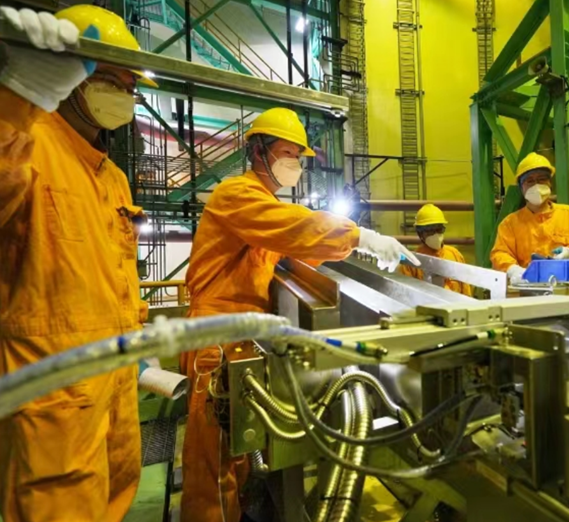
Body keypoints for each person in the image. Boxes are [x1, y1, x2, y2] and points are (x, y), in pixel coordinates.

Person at [179, 107, 419, 522]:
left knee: (235, 454)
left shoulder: (265, 204)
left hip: (239, 337)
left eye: (298, 155)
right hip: (215, 340)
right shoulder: (237, 195)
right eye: (287, 153)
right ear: (259, 150)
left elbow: (298, 246)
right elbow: (295, 228)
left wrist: (350, 251)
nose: (295, 163)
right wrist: (360, 236)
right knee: (212, 467)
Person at [0, 6, 155, 521]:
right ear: (69, 78)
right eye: (112, 80)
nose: (125, 95)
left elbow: (116, 274)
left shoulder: (112, 177)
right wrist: (17, 96)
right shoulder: (24, 143)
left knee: (115, 498)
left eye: (131, 85)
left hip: (114, 386)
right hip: (52, 399)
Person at [490, 152, 569, 284]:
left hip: (568, 288)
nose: (536, 185)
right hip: (528, 288)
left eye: (541, 179)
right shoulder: (510, 224)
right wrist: (514, 270)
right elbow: (500, 254)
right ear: (521, 187)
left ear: (550, 183)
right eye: (529, 181)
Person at [400, 204, 473, 296]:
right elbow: (406, 296)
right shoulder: (412, 262)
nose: (436, 235)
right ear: (420, 233)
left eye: (439, 229)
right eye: (430, 230)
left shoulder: (455, 255)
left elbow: (466, 292)